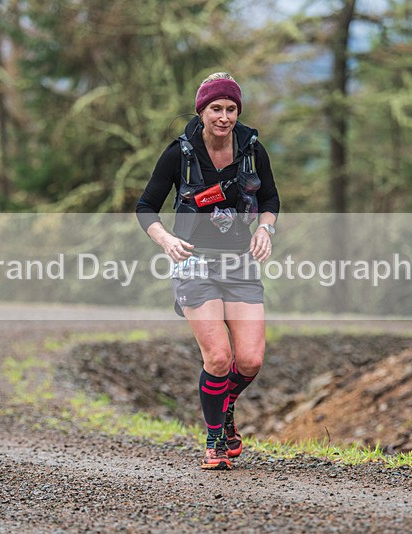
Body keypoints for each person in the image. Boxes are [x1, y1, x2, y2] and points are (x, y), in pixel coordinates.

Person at [136, 72, 280, 470]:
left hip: (240, 263)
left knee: (249, 360)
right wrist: (165, 240)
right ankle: (215, 439)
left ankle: (225, 402)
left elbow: (269, 198)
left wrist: (266, 228)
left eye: (231, 109)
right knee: (218, 357)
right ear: (202, 111)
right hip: (194, 262)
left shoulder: (252, 150)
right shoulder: (179, 154)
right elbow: (145, 206)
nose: (224, 116)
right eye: (216, 108)